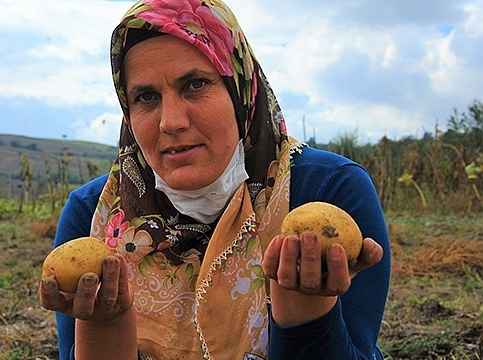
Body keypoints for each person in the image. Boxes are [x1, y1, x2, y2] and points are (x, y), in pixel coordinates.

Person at [39, 0, 390, 359]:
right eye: (146, 97)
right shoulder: (93, 216)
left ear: (241, 92)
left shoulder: (329, 191)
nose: (170, 122)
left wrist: (306, 309)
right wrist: (105, 324)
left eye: (194, 85)